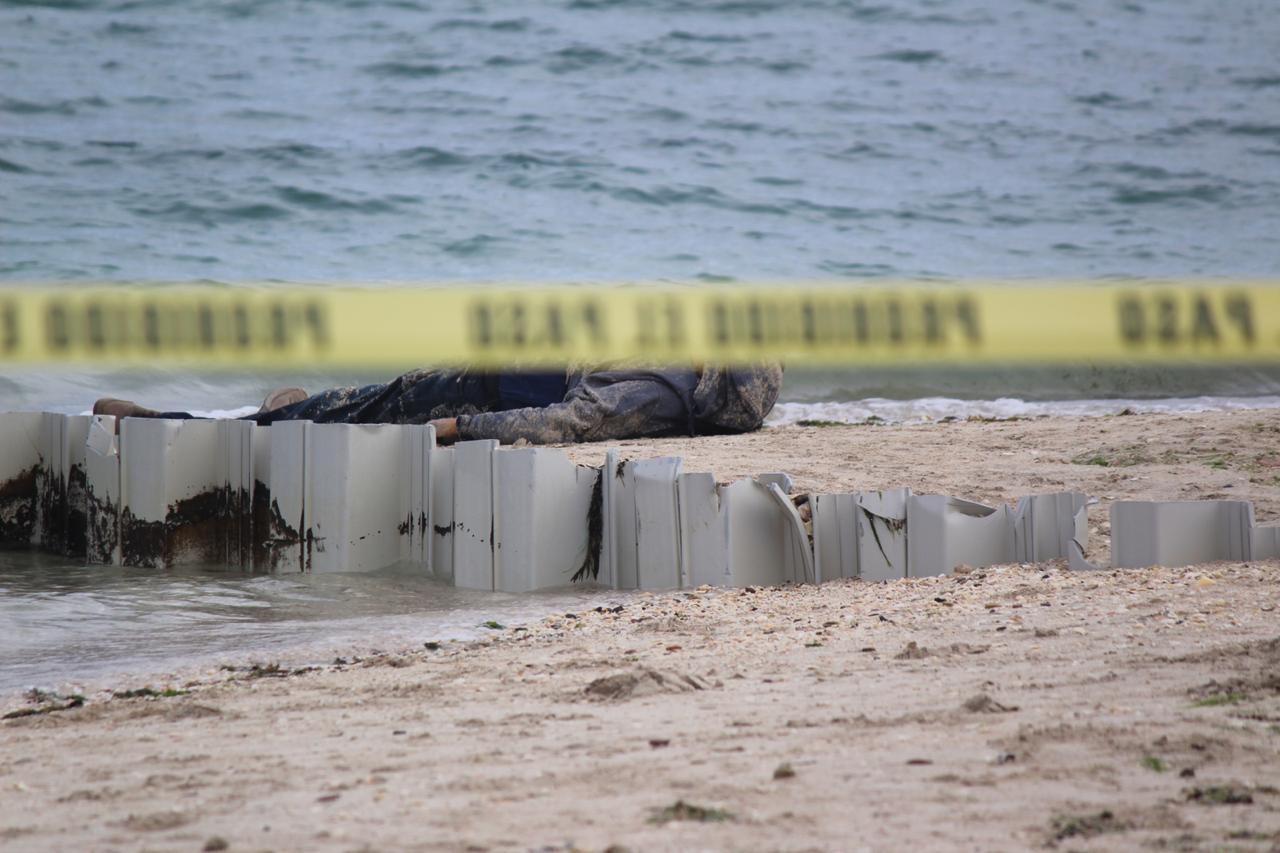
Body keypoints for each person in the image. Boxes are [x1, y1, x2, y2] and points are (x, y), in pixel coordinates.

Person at [93, 363, 784, 445]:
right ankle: (292, 408)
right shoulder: (680, 385)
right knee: (356, 405)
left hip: (472, 394)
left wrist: (462, 427)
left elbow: (566, 422)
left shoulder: (654, 394)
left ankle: (163, 428)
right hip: (489, 377)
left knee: (362, 408)